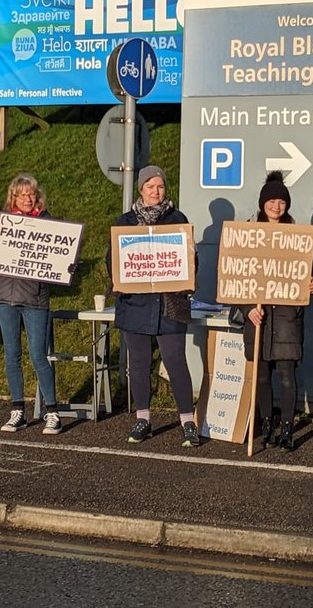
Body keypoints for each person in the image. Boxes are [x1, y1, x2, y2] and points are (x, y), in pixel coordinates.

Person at [0, 174, 63, 434]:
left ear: (37, 195)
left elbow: (60, 257)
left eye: (31, 193)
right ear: (14, 198)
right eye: (22, 194)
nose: (28, 198)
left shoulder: (47, 222)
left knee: (39, 356)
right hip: (5, 297)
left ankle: (52, 412)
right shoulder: (5, 223)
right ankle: (17, 411)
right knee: (11, 356)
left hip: (35, 299)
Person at [108, 165, 200, 447]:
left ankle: (188, 421)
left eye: (160, 186)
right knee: (138, 363)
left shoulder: (178, 219)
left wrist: (190, 264)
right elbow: (112, 260)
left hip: (170, 305)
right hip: (135, 304)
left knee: (175, 362)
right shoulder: (125, 222)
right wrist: (118, 279)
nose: (156, 192)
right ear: (140, 189)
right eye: (150, 186)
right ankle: (143, 419)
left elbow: (190, 261)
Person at [234, 171, 313, 452]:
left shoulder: (297, 236)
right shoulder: (246, 235)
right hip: (259, 319)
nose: (276, 206)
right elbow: (236, 277)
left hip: (286, 321)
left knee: (286, 376)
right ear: (262, 203)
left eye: (281, 201)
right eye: (270, 200)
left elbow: (310, 273)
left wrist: (312, 282)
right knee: (261, 377)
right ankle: (266, 425)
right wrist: (247, 309)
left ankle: (287, 429)